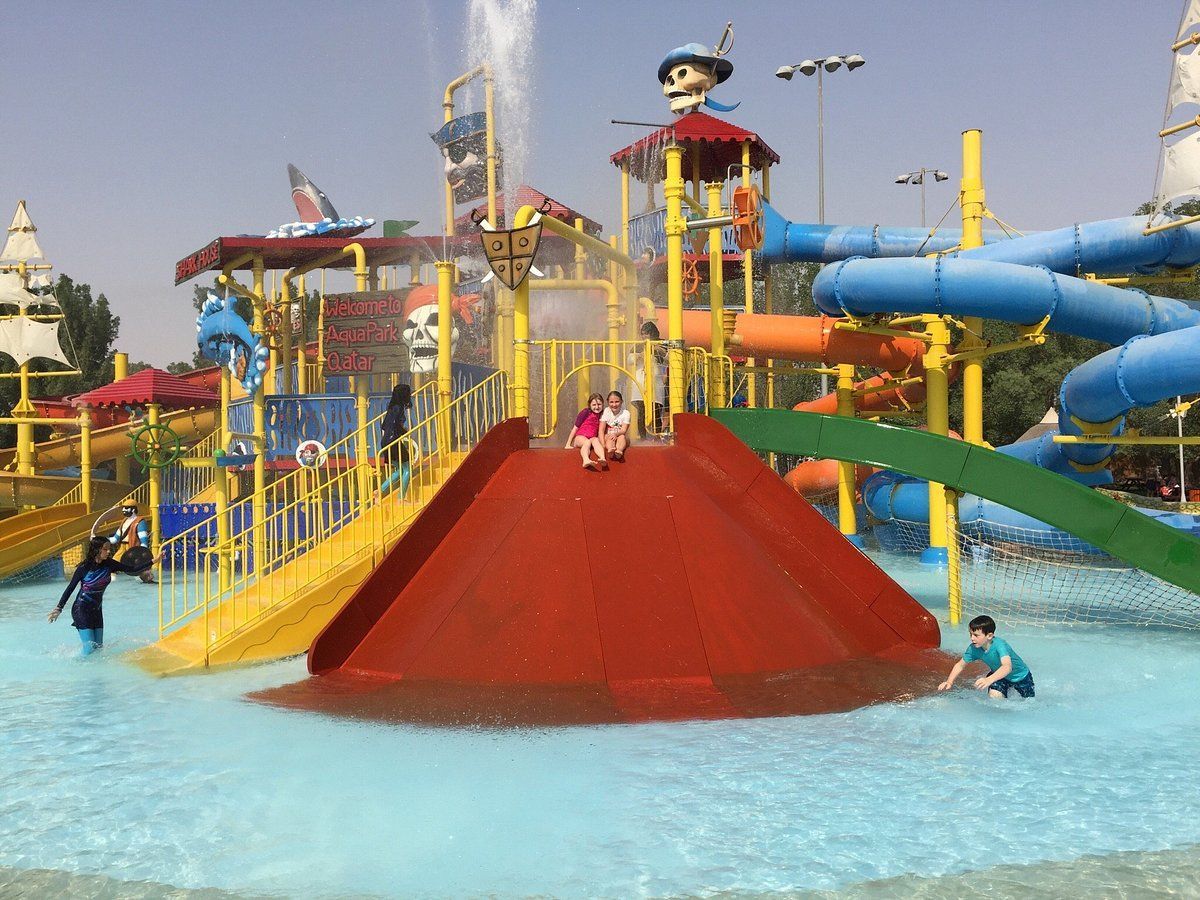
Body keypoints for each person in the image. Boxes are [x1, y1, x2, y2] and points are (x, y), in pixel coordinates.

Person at [47, 536, 162, 656]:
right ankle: (79, 671)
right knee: (90, 649)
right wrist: (59, 608)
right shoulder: (84, 568)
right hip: (81, 609)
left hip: (96, 610)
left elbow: (132, 569)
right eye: (105, 549)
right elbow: (70, 588)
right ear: (97, 550)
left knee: (98, 648)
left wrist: (154, 561)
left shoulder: (109, 564)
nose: (108, 552)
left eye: (109, 549)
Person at [937, 614, 1035, 699]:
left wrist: (989, 680)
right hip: (999, 676)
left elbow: (1007, 667)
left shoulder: (1000, 645)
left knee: (1028, 703)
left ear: (989, 636)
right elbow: (960, 665)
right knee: (994, 697)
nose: (972, 638)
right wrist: (949, 682)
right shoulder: (973, 649)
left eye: (976, 635)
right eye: (970, 634)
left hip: (1021, 676)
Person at [379, 383, 413, 497]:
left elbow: (384, 425)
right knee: (408, 469)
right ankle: (401, 498)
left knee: (400, 469)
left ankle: (379, 491)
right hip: (393, 440)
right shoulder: (399, 408)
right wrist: (404, 431)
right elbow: (395, 424)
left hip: (385, 440)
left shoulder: (391, 407)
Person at [110, 503, 155, 584]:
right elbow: (115, 539)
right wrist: (101, 539)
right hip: (123, 548)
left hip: (135, 549)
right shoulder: (124, 522)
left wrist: (143, 553)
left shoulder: (140, 522)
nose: (123, 510)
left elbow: (143, 539)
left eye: (126, 508)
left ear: (133, 509)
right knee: (111, 566)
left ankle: (148, 580)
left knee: (142, 569)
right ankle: (112, 582)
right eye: (123, 508)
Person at [566, 393, 607, 470]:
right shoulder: (585, 412)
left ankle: (602, 458)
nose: (597, 407)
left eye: (599, 404)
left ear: (603, 404)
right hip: (580, 437)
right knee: (587, 442)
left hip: (592, 438)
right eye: (594, 405)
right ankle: (586, 460)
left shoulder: (603, 414)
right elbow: (575, 428)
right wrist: (568, 444)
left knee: (596, 440)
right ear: (589, 405)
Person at [600, 390, 631, 461]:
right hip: (609, 437)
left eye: (617, 402)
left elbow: (623, 430)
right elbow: (601, 430)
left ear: (622, 402)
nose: (614, 405)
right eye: (611, 402)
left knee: (622, 437)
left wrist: (615, 434)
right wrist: (603, 444)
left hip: (620, 437)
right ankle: (610, 450)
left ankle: (619, 451)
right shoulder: (606, 411)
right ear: (608, 402)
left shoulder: (626, 413)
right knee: (609, 437)